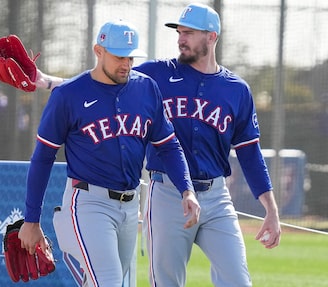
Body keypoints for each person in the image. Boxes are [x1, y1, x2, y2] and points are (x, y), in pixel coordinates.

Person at [32, 4, 281, 286]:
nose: (180, 38)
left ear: (211, 37)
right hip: (167, 194)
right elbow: (99, 83)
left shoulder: (237, 89)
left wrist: (270, 209)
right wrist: (48, 81)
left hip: (216, 196)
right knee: (165, 282)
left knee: (238, 280)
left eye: (188, 32)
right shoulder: (156, 74)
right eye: (179, 31)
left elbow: (250, 153)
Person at [17, 19, 200, 287]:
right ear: (98, 51)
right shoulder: (68, 95)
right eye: (118, 57)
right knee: (110, 282)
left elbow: (169, 145)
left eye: (130, 57)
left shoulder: (146, 88)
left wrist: (187, 189)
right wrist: (31, 220)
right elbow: (43, 158)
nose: (126, 64)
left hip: (129, 206)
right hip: (89, 202)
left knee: (110, 282)